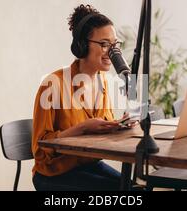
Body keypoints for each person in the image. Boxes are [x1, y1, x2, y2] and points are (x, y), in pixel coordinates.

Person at [31, 4, 133, 191]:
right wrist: (82, 128)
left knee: (132, 188)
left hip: (88, 165)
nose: (112, 52)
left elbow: (102, 128)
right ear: (82, 45)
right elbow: (39, 150)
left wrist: (118, 126)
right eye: (104, 44)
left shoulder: (103, 81)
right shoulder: (53, 84)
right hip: (53, 174)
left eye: (115, 45)